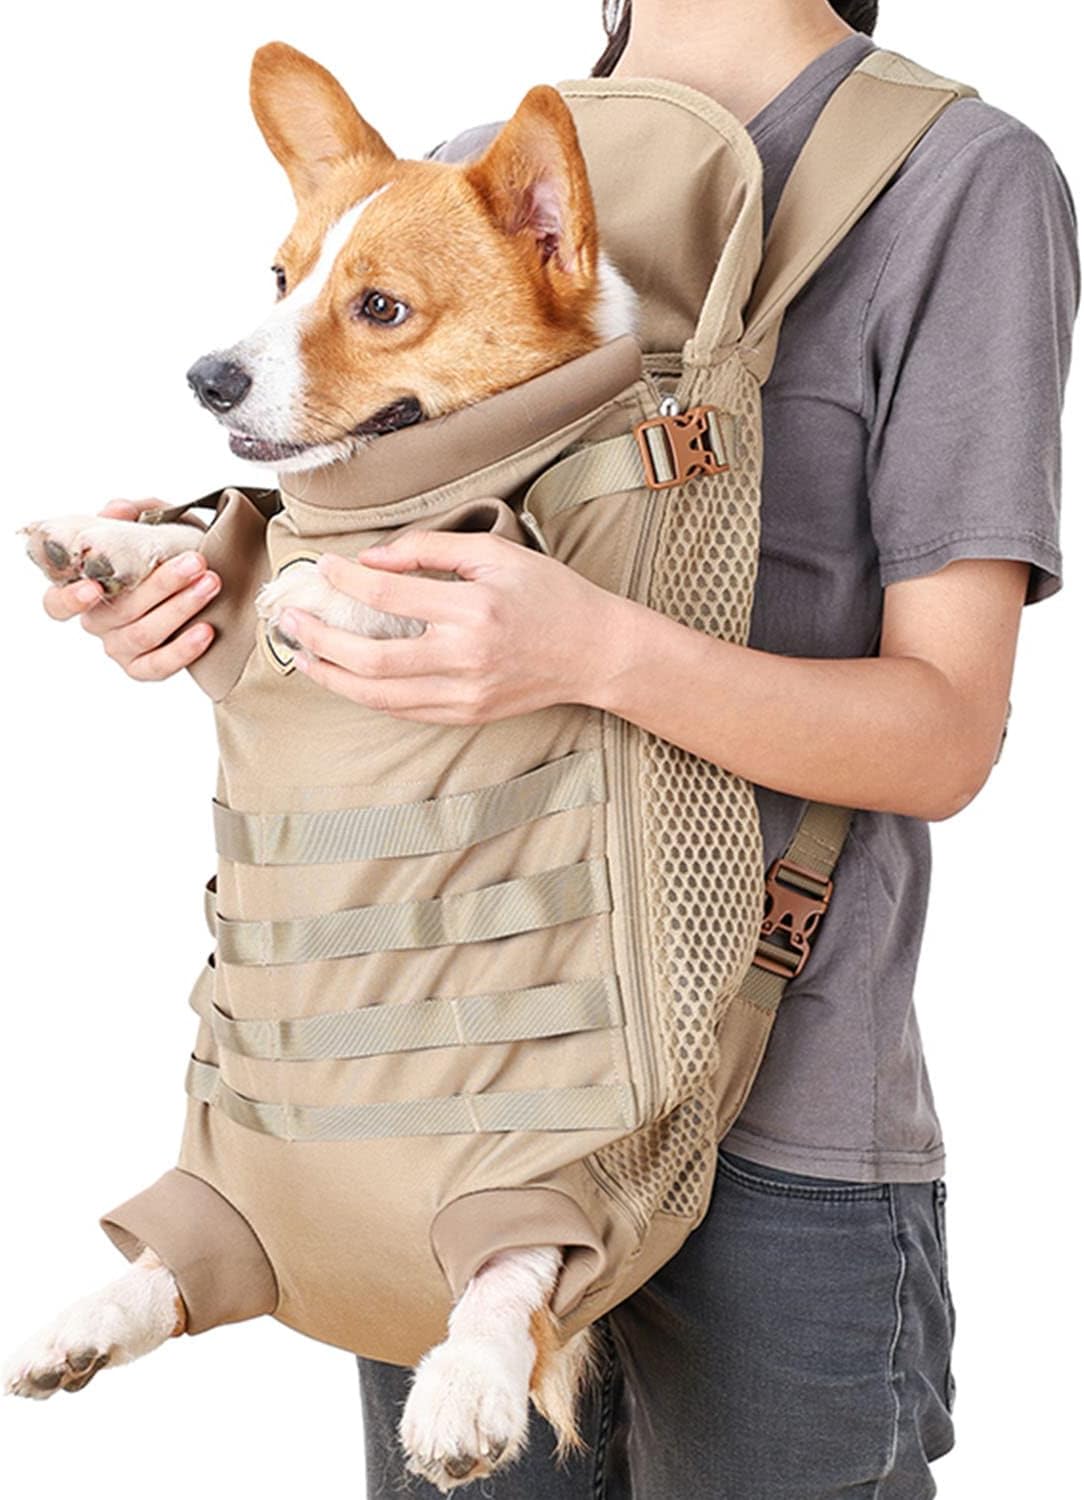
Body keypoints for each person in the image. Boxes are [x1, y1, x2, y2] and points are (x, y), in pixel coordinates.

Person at [40, 1, 1077, 1495]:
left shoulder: (955, 178)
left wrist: (595, 650)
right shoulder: (464, 172)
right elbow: (396, 615)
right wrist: (216, 594)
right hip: (448, 1102)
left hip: (781, 1128)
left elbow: (945, 738)